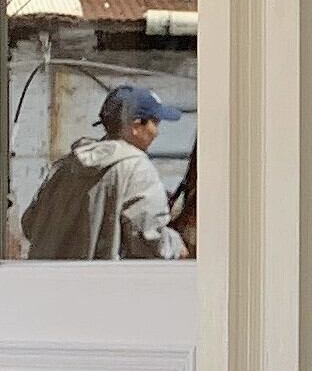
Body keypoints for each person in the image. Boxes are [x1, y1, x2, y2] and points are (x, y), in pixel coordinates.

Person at [21, 85, 187, 261]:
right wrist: (177, 246)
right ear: (136, 126)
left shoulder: (66, 166)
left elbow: (29, 224)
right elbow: (149, 240)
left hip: (47, 277)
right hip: (101, 278)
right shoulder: (137, 168)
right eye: (155, 123)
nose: (157, 133)